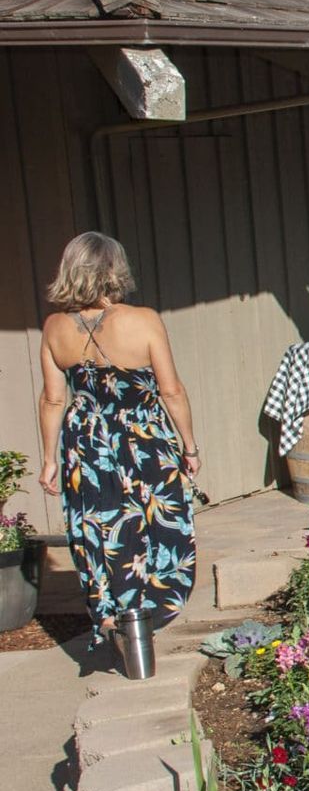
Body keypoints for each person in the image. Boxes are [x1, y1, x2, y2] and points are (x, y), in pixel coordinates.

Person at [35, 232, 198, 655]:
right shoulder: (143, 319)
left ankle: (113, 614)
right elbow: (172, 390)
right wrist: (190, 446)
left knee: (101, 527)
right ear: (114, 270)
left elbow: (54, 398)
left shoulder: (54, 327)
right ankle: (143, 619)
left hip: (85, 442)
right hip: (141, 438)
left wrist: (49, 459)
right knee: (156, 525)